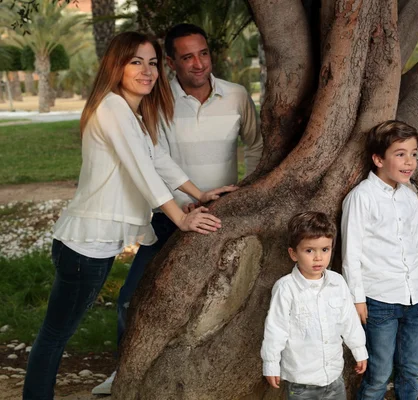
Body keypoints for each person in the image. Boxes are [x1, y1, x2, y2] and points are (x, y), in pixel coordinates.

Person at [22, 32, 235, 400]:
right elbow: (142, 170)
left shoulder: (130, 111)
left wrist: (199, 194)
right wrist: (180, 218)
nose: (147, 71)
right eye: (136, 62)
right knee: (55, 335)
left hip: (96, 246)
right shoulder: (111, 108)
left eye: (152, 63)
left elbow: (156, 159)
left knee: (57, 333)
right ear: (116, 65)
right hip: (84, 247)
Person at [92, 23, 263, 395]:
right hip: (170, 215)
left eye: (203, 53)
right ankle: (125, 369)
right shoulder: (158, 98)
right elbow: (153, 159)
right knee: (131, 297)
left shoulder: (235, 96)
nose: (198, 63)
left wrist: (245, 192)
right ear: (170, 62)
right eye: (186, 57)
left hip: (222, 212)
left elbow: (256, 143)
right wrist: (180, 208)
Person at [341, 120, 418, 400]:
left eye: (414, 154)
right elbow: (351, 252)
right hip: (380, 300)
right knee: (379, 373)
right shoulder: (362, 198)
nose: (410, 162)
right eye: (400, 154)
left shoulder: (410, 196)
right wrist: (357, 298)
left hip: (415, 298)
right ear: (378, 158)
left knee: (410, 369)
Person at [261, 211, 368, 400]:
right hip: (302, 383)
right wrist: (271, 363)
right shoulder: (286, 288)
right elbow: (276, 329)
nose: (318, 258)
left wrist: (359, 350)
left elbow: (349, 321)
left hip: (334, 378)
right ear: (293, 254)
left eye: (325, 250)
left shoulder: (338, 283)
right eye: (309, 250)